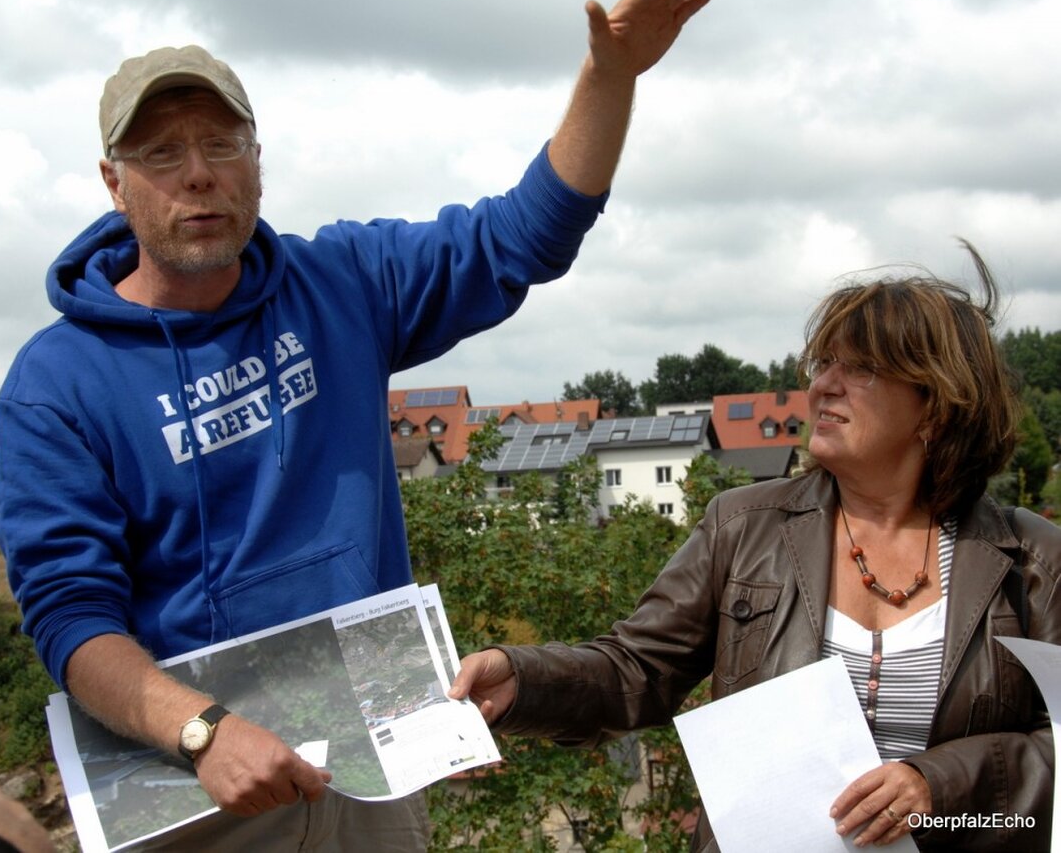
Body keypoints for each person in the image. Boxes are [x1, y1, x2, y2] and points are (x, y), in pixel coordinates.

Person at [0, 0, 712, 851]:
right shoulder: (55, 383)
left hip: (373, 762)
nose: (198, 176)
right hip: (191, 784)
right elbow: (72, 618)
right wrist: (202, 731)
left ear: (258, 158)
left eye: (222, 144)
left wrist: (612, 75)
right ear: (115, 181)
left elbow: (521, 238)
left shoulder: (341, 284)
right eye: (160, 155)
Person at [451, 244, 1059, 852]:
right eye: (823, 364)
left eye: (860, 369)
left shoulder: (1031, 560)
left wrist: (943, 792)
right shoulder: (743, 527)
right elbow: (637, 668)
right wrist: (523, 681)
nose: (823, 386)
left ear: (937, 402)